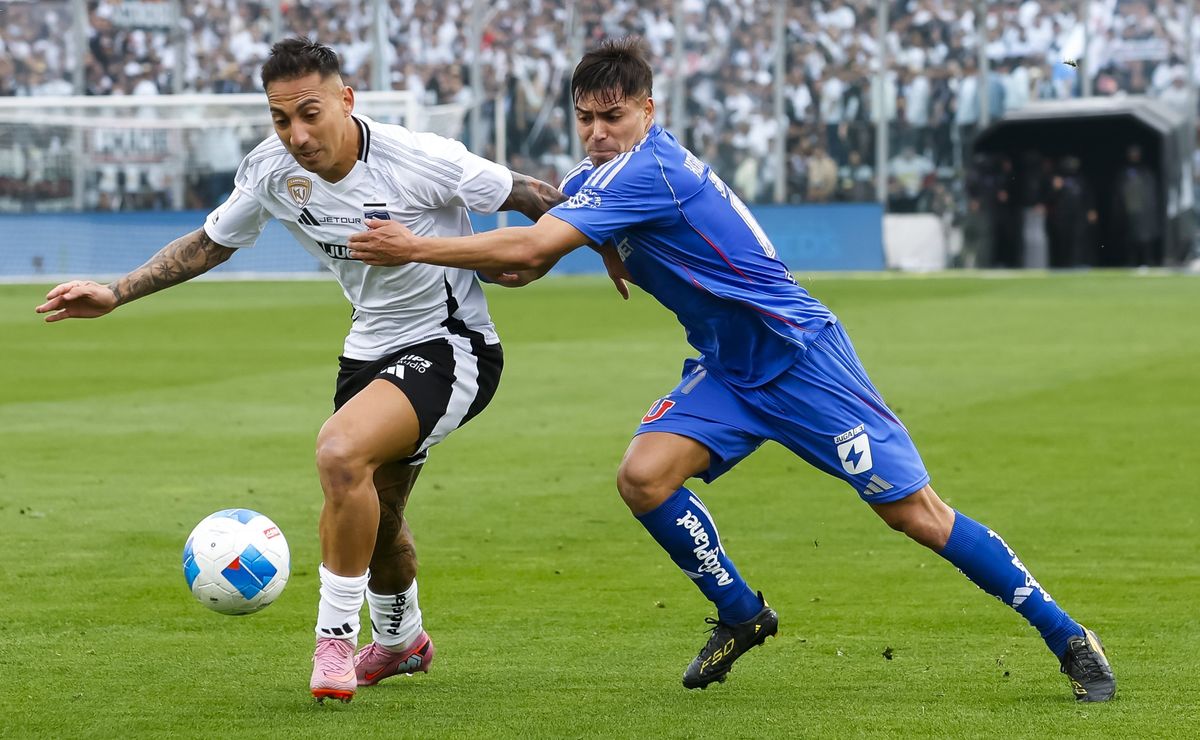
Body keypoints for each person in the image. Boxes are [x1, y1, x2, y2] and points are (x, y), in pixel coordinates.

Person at [344, 36, 1117, 702]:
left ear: (649, 110)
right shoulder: (598, 183)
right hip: (729, 371)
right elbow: (529, 258)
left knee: (916, 516)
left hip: (802, 360)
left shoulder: (654, 171)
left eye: (614, 116)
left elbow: (533, 248)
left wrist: (416, 243)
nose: (599, 132)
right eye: (586, 118)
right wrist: (469, 250)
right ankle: (743, 612)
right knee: (643, 477)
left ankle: (1068, 636)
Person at [35, 37, 568, 704]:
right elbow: (209, 243)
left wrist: (597, 254)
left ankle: (334, 641)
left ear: (346, 100)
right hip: (367, 351)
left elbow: (540, 199)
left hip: (452, 344)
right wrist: (116, 292)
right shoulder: (269, 171)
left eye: (310, 113)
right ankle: (403, 644)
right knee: (375, 518)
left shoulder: (420, 158)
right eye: (281, 119)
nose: (297, 133)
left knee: (340, 454)